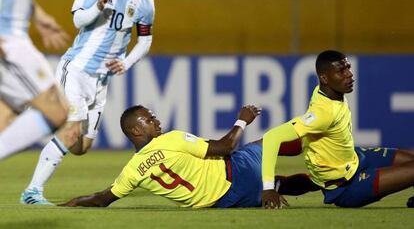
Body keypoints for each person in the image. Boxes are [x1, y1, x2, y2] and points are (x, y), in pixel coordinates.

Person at [21, 0, 155, 205]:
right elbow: (77, 19)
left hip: (101, 81)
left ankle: (44, 113)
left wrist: (126, 63)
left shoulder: (146, 3)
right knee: (71, 133)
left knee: (82, 147)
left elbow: (145, 40)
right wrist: (97, 7)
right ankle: (32, 192)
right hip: (78, 69)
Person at [60, 105, 316, 208]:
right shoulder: (170, 139)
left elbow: (101, 199)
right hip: (235, 173)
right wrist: (242, 119)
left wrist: (66, 206)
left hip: (224, 202)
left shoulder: (133, 170)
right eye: (150, 119)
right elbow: (227, 146)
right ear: (136, 130)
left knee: (278, 183)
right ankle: (326, 162)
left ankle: (289, 184)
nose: (156, 121)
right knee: (271, 140)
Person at [261, 50, 414, 209]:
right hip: (347, 187)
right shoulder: (323, 114)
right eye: (341, 71)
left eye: (348, 67)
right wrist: (268, 188)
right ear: (324, 78)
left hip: (355, 158)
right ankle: (279, 184)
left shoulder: (327, 91)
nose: (349, 75)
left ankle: (286, 184)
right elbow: (272, 137)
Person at [0, 0, 70, 159]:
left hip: (14, 32)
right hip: (7, 38)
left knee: (6, 114)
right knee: (56, 110)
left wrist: (35, 13)